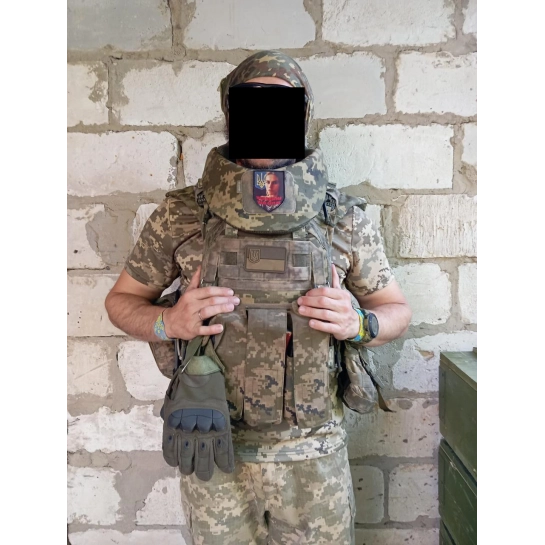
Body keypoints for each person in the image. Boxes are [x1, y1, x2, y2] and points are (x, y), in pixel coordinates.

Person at [105, 50, 412, 545]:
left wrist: (360, 324)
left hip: (314, 455)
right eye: (253, 103)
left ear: (303, 115)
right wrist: (168, 323)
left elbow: (396, 311)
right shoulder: (183, 214)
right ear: (230, 113)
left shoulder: (342, 217)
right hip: (215, 447)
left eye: (281, 105)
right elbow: (121, 301)